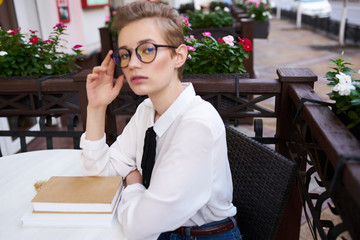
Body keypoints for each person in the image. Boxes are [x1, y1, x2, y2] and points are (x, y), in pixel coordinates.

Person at [80, 1, 241, 239]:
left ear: (179, 56)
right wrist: (96, 107)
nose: (132, 63)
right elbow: (98, 171)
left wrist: (133, 182)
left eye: (147, 50)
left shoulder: (196, 124)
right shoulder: (147, 109)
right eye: (125, 54)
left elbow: (139, 226)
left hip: (202, 235)